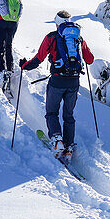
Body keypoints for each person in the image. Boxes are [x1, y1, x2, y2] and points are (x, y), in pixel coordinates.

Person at [19, 10, 94, 157]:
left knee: (52, 112)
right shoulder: (78, 38)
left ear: (57, 23)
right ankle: (69, 146)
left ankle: (57, 139)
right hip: (74, 81)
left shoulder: (51, 37)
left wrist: (24, 65)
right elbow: (90, 59)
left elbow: (38, 59)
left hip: (57, 81)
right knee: (69, 114)